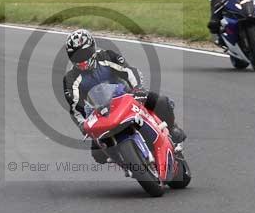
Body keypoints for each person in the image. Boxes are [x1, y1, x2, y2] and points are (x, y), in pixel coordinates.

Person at [62, 29, 186, 164]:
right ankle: (125, 162)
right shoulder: (70, 79)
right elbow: (75, 106)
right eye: (76, 56)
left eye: (84, 53)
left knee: (161, 101)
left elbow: (129, 71)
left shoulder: (107, 56)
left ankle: (172, 128)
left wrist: (137, 88)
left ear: (92, 48)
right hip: (101, 114)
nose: (81, 59)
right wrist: (83, 124)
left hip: (127, 98)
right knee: (98, 154)